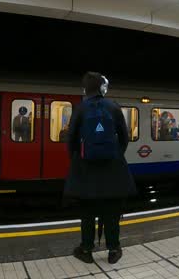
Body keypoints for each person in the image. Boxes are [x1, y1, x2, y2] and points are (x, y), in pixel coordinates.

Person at [64, 72, 136, 265]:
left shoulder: (80, 109)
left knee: (87, 212)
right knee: (111, 211)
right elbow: (124, 137)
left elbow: (70, 139)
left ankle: (86, 250)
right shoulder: (113, 107)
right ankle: (113, 250)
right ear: (102, 88)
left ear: (86, 89)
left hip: (86, 168)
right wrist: (116, 155)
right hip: (112, 168)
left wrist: (77, 159)